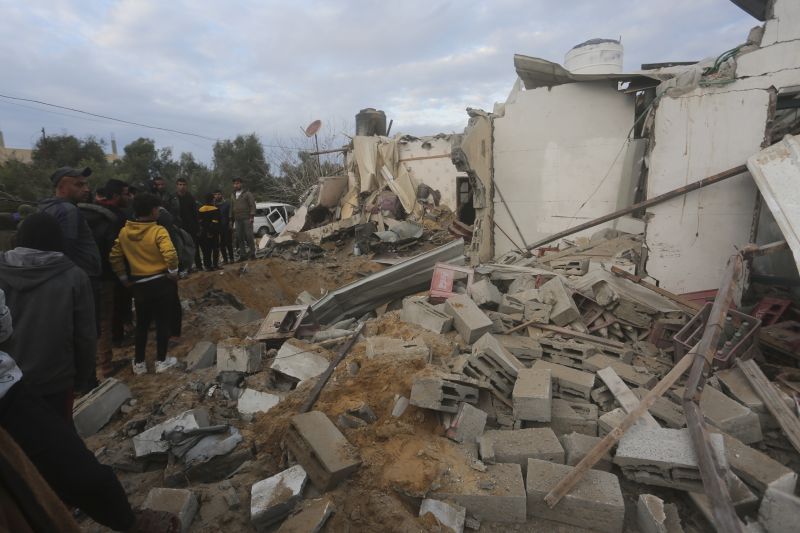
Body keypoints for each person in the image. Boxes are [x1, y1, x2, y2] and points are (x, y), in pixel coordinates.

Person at [0, 294, 177, 532]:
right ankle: (129, 522)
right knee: (69, 460)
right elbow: (4, 328)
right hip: (11, 395)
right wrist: (85, 375)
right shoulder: (70, 273)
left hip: (26, 381)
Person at [0, 213, 96, 418]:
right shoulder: (74, 276)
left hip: (6, 384)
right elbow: (85, 335)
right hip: (55, 381)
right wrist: (82, 377)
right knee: (59, 441)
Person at [110, 193, 179, 375]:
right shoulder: (158, 231)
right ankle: (161, 360)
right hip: (161, 282)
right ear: (154, 210)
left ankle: (139, 363)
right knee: (163, 322)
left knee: (142, 324)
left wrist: (124, 278)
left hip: (139, 285)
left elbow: (115, 256)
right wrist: (173, 272)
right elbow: (170, 254)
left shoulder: (124, 232)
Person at [80, 179, 130, 379]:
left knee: (84, 323)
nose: (128, 197)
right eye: (126, 193)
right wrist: (123, 275)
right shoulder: (113, 218)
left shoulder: (80, 214)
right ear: (116, 196)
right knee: (104, 322)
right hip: (105, 275)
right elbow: (116, 250)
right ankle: (106, 367)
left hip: (80, 276)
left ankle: (87, 369)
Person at [38, 166, 102, 279]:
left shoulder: (47, 208)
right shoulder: (69, 210)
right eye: (79, 185)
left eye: (86, 184)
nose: (87, 189)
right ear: (62, 188)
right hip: (81, 276)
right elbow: (66, 248)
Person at [175, 177, 201, 271]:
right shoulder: (174, 198)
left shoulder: (190, 197)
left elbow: (195, 213)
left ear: (187, 186)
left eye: (184, 185)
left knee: (194, 246)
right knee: (181, 247)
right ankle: (184, 268)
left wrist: (197, 227)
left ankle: (198, 266)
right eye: (180, 185)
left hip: (191, 226)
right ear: (177, 186)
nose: (182, 187)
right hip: (179, 227)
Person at [230, 177, 256, 261]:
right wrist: (231, 219)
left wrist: (252, 217)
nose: (236, 185)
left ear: (241, 184)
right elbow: (231, 207)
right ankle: (243, 255)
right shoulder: (232, 195)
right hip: (237, 219)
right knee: (239, 237)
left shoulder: (247, 194)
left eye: (238, 183)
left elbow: (252, 205)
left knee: (249, 236)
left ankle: (252, 254)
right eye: (234, 184)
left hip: (247, 218)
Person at [197, 194, 222, 271]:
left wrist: (205, 230)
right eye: (213, 199)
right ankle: (215, 265)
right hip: (213, 233)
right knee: (215, 248)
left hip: (203, 233)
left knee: (206, 250)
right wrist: (211, 232)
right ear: (211, 200)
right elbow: (215, 222)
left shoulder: (200, 209)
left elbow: (199, 221)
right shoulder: (215, 209)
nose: (214, 200)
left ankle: (207, 266)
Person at [213, 189, 234, 264]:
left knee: (229, 243)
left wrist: (231, 222)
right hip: (218, 227)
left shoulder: (227, 204)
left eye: (219, 194)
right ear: (214, 196)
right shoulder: (213, 205)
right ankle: (225, 260)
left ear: (221, 195)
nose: (217, 196)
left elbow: (231, 214)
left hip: (226, 226)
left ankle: (232, 259)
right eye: (216, 194)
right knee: (221, 245)